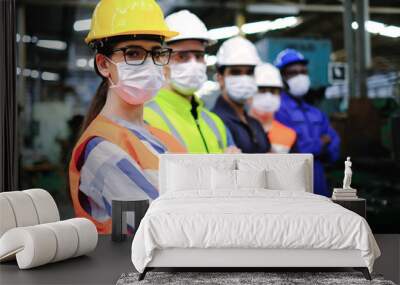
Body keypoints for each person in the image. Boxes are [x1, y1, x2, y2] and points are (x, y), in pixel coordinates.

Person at [69, 0, 186, 234]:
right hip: (130, 269)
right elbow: (163, 229)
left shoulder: (161, 137)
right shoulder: (99, 148)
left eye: (155, 53)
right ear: (103, 64)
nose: (149, 64)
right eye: (133, 53)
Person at [144, 10, 239, 154]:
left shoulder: (215, 123)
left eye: (199, 56)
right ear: (161, 60)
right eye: (182, 56)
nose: (194, 64)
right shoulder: (146, 118)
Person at [274, 48, 340, 196]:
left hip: (318, 182)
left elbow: (335, 147)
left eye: (303, 72)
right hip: (292, 185)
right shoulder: (277, 110)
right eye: (293, 73)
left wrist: (315, 147)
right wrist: (322, 143)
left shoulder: (315, 112)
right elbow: (293, 151)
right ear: (282, 77)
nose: (300, 76)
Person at [212, 36, 271, 153]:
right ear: (220, 78)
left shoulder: (255, 124)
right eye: (236, 72)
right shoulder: (214, 123)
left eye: (249, 72)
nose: (244, 78)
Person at [249, 63, 297, 153]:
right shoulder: (238, 130)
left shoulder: (289, 134)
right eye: (262, 90)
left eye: (273, 91)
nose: (268, 96)